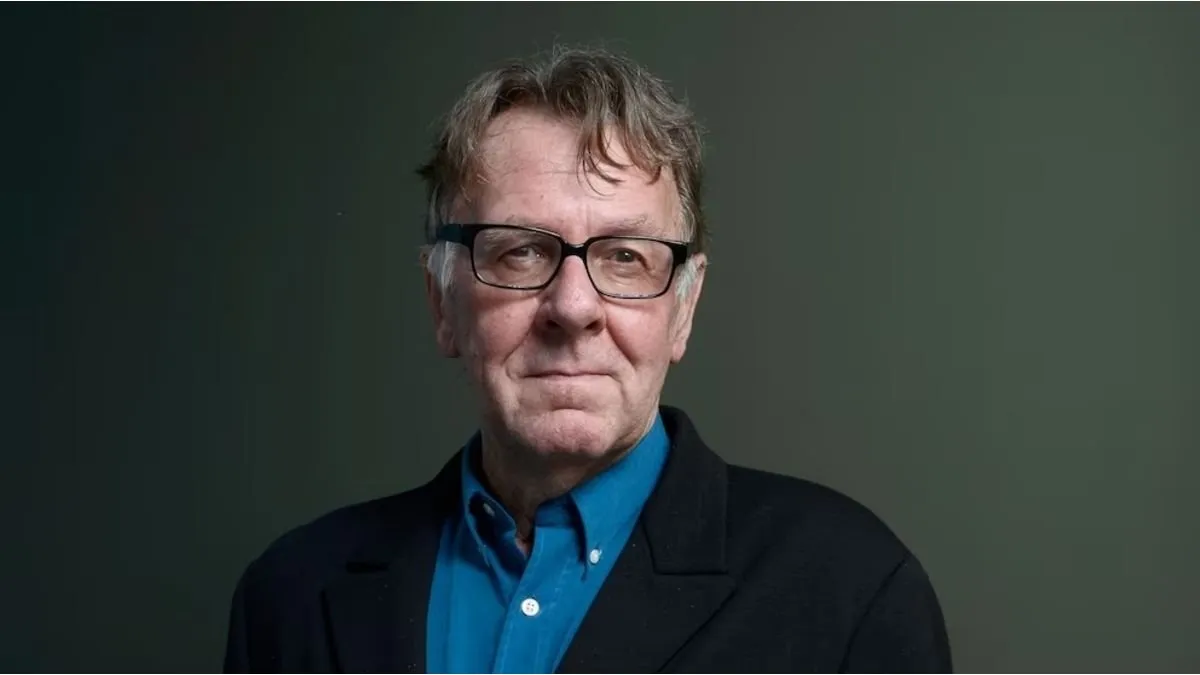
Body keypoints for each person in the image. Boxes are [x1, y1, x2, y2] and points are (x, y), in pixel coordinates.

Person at [223, 46, 952, 674]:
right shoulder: (290, 596)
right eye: (520, 251)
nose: (573, 307)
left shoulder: (850, 591)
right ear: (442, 301)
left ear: (684, 307)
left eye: (626, 256)